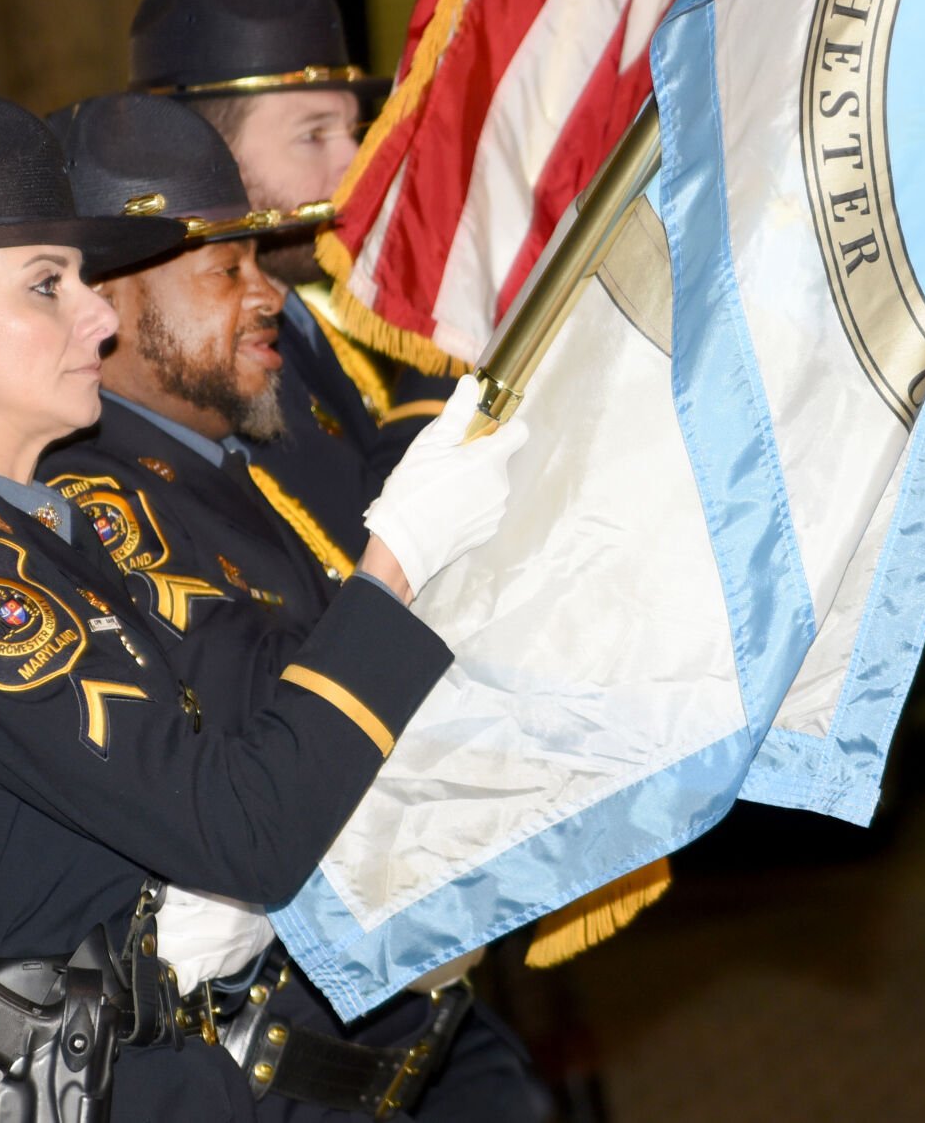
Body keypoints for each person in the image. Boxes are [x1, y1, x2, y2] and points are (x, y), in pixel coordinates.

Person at [0, 90, 526, 1122]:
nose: (98, 314)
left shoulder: (48, 542)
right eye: (47, 285)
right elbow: (243, 830)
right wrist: (396, 565)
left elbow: (225, 780)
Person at [41, 92, 551, 1121]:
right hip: (277, 1077)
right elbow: (283, 753)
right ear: (106, 307)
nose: (264, 291)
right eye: (223, 268)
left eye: (256, 260)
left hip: (412, 1041)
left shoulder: (230, 467)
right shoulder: (101, 503)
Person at [129, 0, 452, 556]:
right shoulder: (191, 361)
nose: (356, 167)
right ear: (206, 153)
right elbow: (361, 553)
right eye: (313, 135)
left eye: (352, 131)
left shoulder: (303, 307)